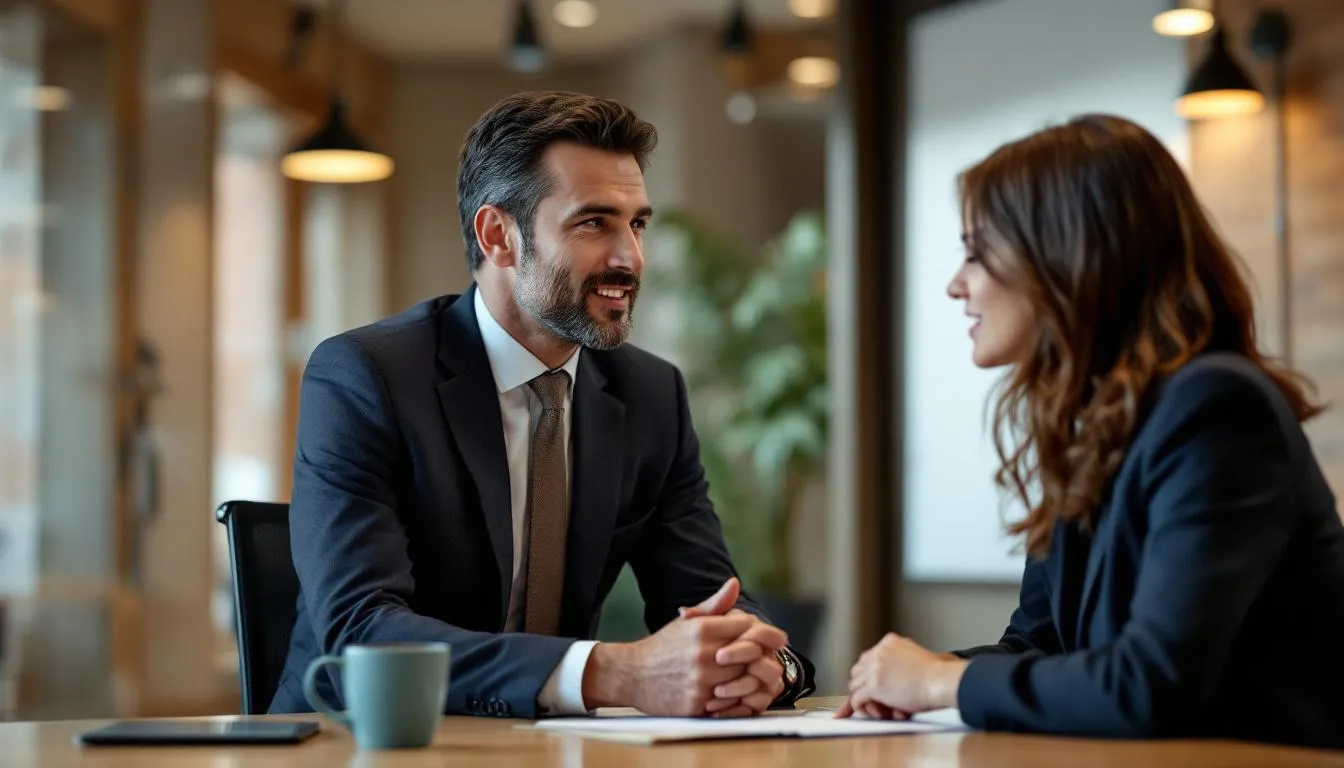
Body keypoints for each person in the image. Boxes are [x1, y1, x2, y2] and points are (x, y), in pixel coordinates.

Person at [269, 91, 815, 720]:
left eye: (636, 224)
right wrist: (613, 671)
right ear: (498, 235)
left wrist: (765, 665)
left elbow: (710, 598)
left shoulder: (649, 395)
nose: (629, 259)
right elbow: (359, 634)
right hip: (362, 740)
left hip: (550, 747)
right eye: (594, 223)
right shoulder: (367, 378)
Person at [838, 114, 1344, 748]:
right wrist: (904, 678)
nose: (955, 284)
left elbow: (1148, 684)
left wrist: (941, 684)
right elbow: (1040, 646)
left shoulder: (1217, 409)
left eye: (975, 251)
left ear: (1066, 257)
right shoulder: (1091, 428)